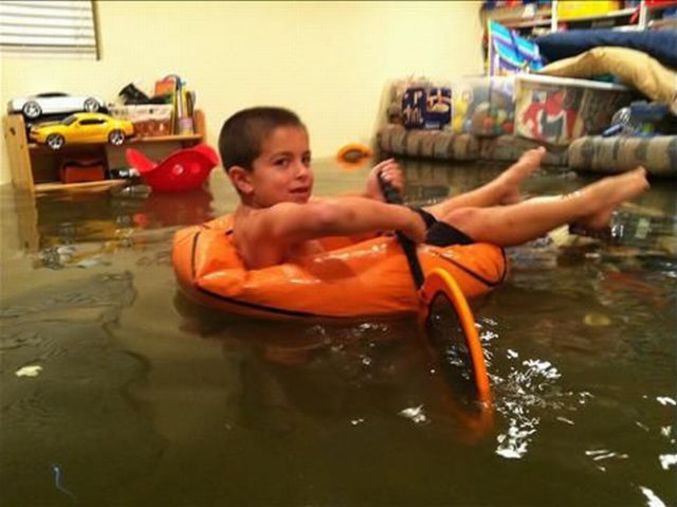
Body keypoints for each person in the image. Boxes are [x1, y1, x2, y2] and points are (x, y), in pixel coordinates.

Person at [218, 106, 650, 270]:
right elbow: (327, 216)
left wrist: (370, 198)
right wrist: (401, 216)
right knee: (459, 220)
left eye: (307, 159)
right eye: (283, 163)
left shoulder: (261, 212)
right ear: (242, 179)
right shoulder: (267, 221)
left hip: (369, 256)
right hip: (360, 289)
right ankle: (586, 201)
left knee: (439, 212)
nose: (302, 173)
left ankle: (504, 184)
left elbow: (328, 205)